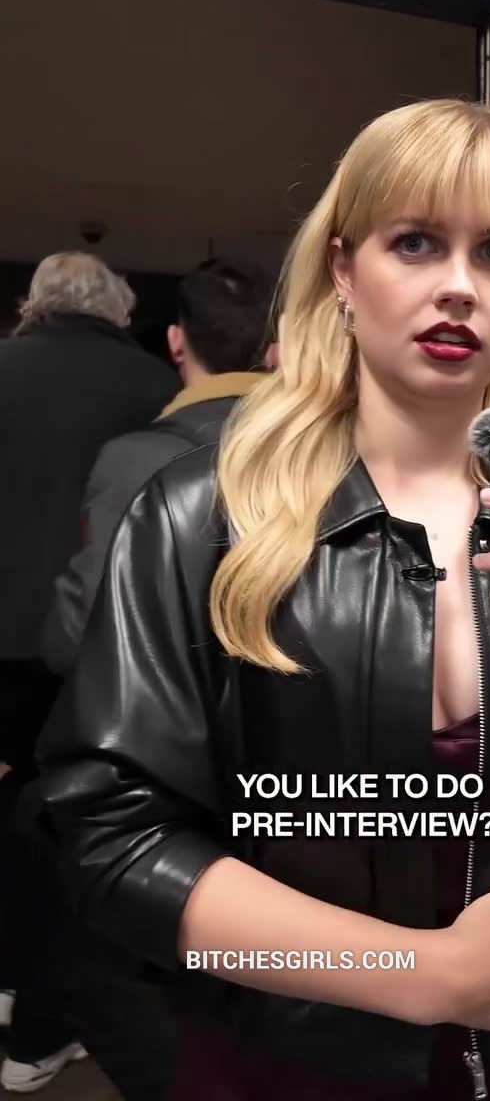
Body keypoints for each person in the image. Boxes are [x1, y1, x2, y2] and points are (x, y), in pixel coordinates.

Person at [36, 101, 490, 1101]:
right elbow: (113, 845)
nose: (459, 285)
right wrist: (424, 973)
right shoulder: (197, 521)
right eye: (416, 242)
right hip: (282, 1073)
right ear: (344, 272)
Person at [0, 251, 179, 1093]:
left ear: (33, 302)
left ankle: (14, 977)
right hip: (94, 644)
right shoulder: (156, 388)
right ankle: (53, 1003)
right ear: (120, 308)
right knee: (75, 830)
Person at [42, 258, 272, 677]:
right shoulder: (328, 451)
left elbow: (79, 631)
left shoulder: (134, 460)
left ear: (175, 341)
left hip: (175, 708)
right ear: (273, 350)